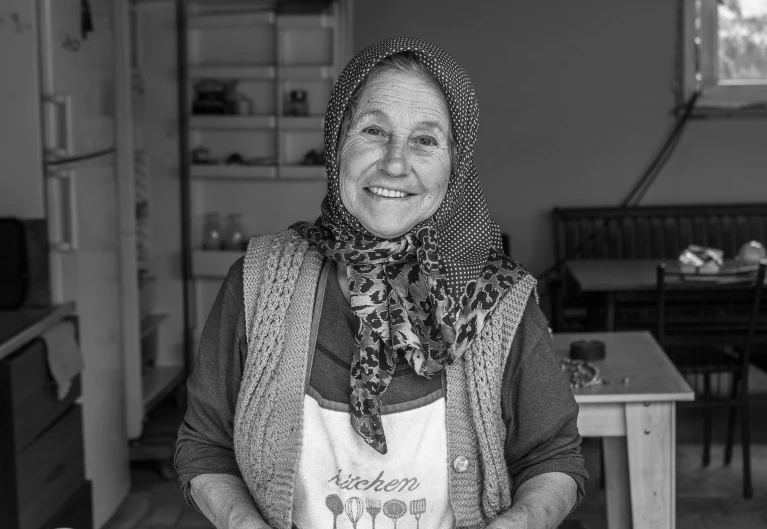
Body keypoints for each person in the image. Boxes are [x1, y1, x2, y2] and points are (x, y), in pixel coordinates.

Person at [175, 37, 587, 529]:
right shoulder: (259, 283)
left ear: (456, 164)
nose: (395, 162)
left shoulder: (497, 302)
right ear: (336, 143)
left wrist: (519, 522)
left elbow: (554, 458)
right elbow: (204, 447)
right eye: (373, 130)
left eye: (425, 139)